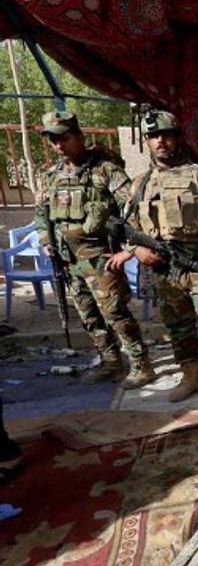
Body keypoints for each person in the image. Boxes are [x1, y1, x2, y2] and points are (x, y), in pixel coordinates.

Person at [107, 109, 198, 402]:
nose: (160, 141)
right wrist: (137, 250)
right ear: (146, 141)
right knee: (177, 326)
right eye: (153, 136)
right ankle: (191, 375)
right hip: (163, 269)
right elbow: (127, 225)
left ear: (178, 138)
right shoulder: (140, 183)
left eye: (166, 135)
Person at [34, 110, 155, 387]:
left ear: (79, 136)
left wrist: (130, 249)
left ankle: (141, 365)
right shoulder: (52, 176)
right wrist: (45, 241)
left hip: (101, 258)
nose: (59, 145)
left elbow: (132, 209)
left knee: (115, 314)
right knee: (88, 316)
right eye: (54, 140)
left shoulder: (105, 170)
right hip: (67, 259)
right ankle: (111, 361)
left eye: (64, 138)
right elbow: (41, 212)